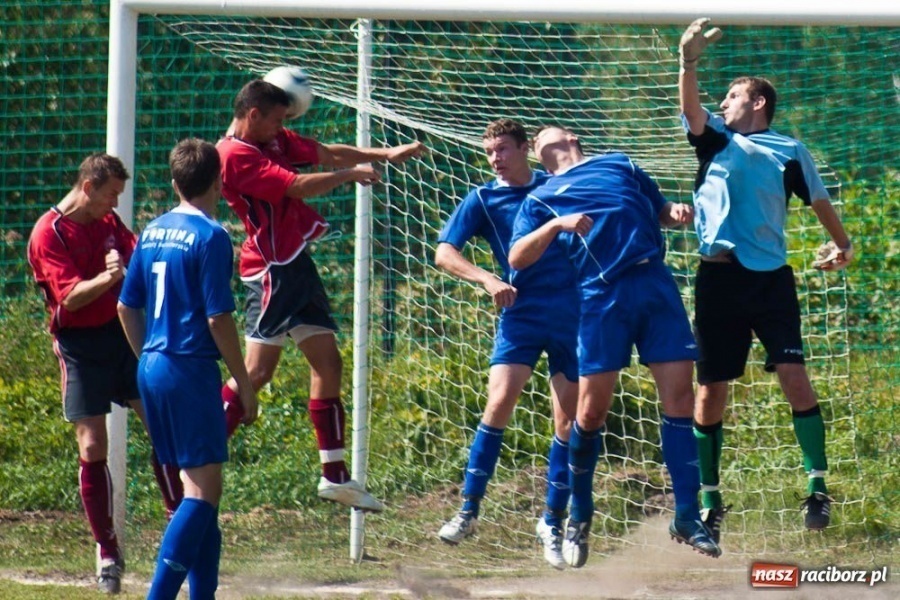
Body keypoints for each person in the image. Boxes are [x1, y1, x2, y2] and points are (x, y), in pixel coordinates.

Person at [509, 126, 720, 568]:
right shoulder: (539, 197)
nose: (536, 141)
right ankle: (580, 516)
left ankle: (686, 515)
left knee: (681, 398)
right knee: (589, 413)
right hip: (600, 297)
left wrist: (675, 213)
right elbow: (517, 257)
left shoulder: (619, 162)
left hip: (654, 284)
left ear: (568, 136)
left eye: (542, 133)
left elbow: (660, 210)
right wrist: (555, 224)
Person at [677, 18, 854, 542]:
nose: (723, 103)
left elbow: (819, 199)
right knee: (710, 392)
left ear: (757, 104)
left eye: (733, 96)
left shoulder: (788, 149)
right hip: (717, 282)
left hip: (771, 282)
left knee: (795, 380)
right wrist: (687, 62)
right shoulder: (712, 139)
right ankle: (710, 504)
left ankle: (817, 489)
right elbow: (689, 108)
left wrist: (842, 243)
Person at [216, 79, 425, 512]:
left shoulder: (270, 140)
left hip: (296, 263)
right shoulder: (234, 155)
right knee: (256, 373)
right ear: (253, 115)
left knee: (328, 361)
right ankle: (199, 450)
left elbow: (325, 152)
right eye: (277, 120)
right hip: (272, 268)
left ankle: (334, 476)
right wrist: (350, 177)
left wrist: (382, 154)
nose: (282, 128)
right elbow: (296, 185)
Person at [26, 153, 185, 594]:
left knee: (162, 427)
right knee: (93, 443)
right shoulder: (48, 233)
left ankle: (181, 529)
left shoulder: (109, 223)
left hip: (122, 334)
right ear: (90, 187)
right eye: (111, 194)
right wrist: (109, 277)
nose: (115, 204)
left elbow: (135, 259)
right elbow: (71, 298)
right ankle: (108, 552)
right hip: (79, 347)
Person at [434, 119, 579, 569]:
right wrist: (486, 278)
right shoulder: (482, 198)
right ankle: (468, 510)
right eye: (490, 151)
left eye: (503, 149)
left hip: (572, 314)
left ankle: (552, 522)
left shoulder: (559, 187)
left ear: (525, 150)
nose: (496, 158)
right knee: (498, 403)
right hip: (521, 314)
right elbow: (444, 252)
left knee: (569, 421)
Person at [117, 138, 259, 599]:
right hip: (190, 368)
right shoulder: (212, 235)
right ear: (218, 181)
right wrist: (243, 380)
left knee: (198, 490)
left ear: (175, 182)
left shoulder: (152, 230)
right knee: (200, 495)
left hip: (153, 366)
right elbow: (218, 317)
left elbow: (126, 306)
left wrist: (150, 359)